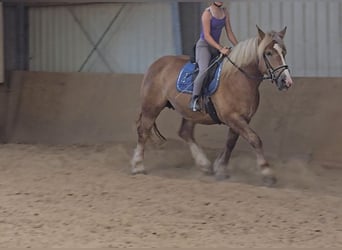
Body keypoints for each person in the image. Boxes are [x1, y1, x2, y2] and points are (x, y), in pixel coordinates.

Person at [190, 1, 239, 112]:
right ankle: (194, 99)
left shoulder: (225, 12)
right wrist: (220, 48)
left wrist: (239, 47)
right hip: (204, 46)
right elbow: (207, 36)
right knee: (204, 70)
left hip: (215, 47)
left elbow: (229, 32)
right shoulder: (207, 13)